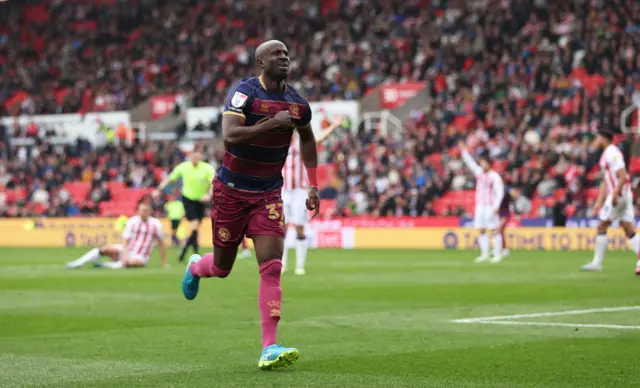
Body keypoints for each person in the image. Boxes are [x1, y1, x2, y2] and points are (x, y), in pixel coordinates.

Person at [181, 40, 320, 371]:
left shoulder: (298, 104)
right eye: (277, 54)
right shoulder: (244, 93)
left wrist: (313, 184)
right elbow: (229, 137)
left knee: (272, 266)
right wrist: (272, 123)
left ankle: (269, 346)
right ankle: (196, 267)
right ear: (260, 63)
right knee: (223, 267)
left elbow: (309, 138)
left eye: (287, 53)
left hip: (268, 193)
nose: (284, 58)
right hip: (231, 190)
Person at [281, 116, 343, 275]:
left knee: (300, 228)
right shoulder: (277, 148)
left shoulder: (301, 146)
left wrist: (334, 127)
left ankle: (300, 265)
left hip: (300, 192)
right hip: (283, 192)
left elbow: (319, 140)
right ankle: (282, 264)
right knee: (282, 229)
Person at [581, 130, 640, 272]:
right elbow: (605, 180)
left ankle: (597, 263)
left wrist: (615, 194)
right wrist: (599, 201)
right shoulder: (607, 153)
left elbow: (622, 175)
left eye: (597, 138)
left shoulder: (612, 153)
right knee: (628, 228)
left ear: (603, 139)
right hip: (622, 194)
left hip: (618, 195)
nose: (595, 141)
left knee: (602, 226)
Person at [66, 201, 167, 269]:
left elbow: (161, 243)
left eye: (146, 211)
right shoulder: (132, 221)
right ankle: (78, 263)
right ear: (138, 211)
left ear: (150, 212)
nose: (143, 212)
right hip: (128, 250)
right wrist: (125, 255)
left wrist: (164, 262)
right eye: (142, 210)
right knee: (104, 249)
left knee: (134, 263)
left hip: (141, 255)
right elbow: (125, 240)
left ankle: (105, 265)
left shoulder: (156, 224)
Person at [154, 151, 216, 262]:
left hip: (201, 201)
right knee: (195, 225)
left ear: (201, 157)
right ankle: (191, 253)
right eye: (193, 156)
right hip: (188, 199)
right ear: (190, 157)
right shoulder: (183, 167)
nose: (195, 158)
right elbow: (170, 178)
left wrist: (209, 194)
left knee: (195, 228)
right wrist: (159, 189)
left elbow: (213, 182)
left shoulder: (207, 168)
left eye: (198, 156)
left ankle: (185, 249)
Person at [459, 142, 505, 263]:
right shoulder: (479, 172)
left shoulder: (495, 176)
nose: (482, 164)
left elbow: (500, 192)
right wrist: (464, 151)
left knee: (494, 230)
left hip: (490, 206)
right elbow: (470, 163)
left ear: (489, 164)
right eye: (481, 163)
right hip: (480, 206)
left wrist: (496, 206)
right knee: (481, 230)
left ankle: (497, 255)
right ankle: (484, 254)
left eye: (484, 163)